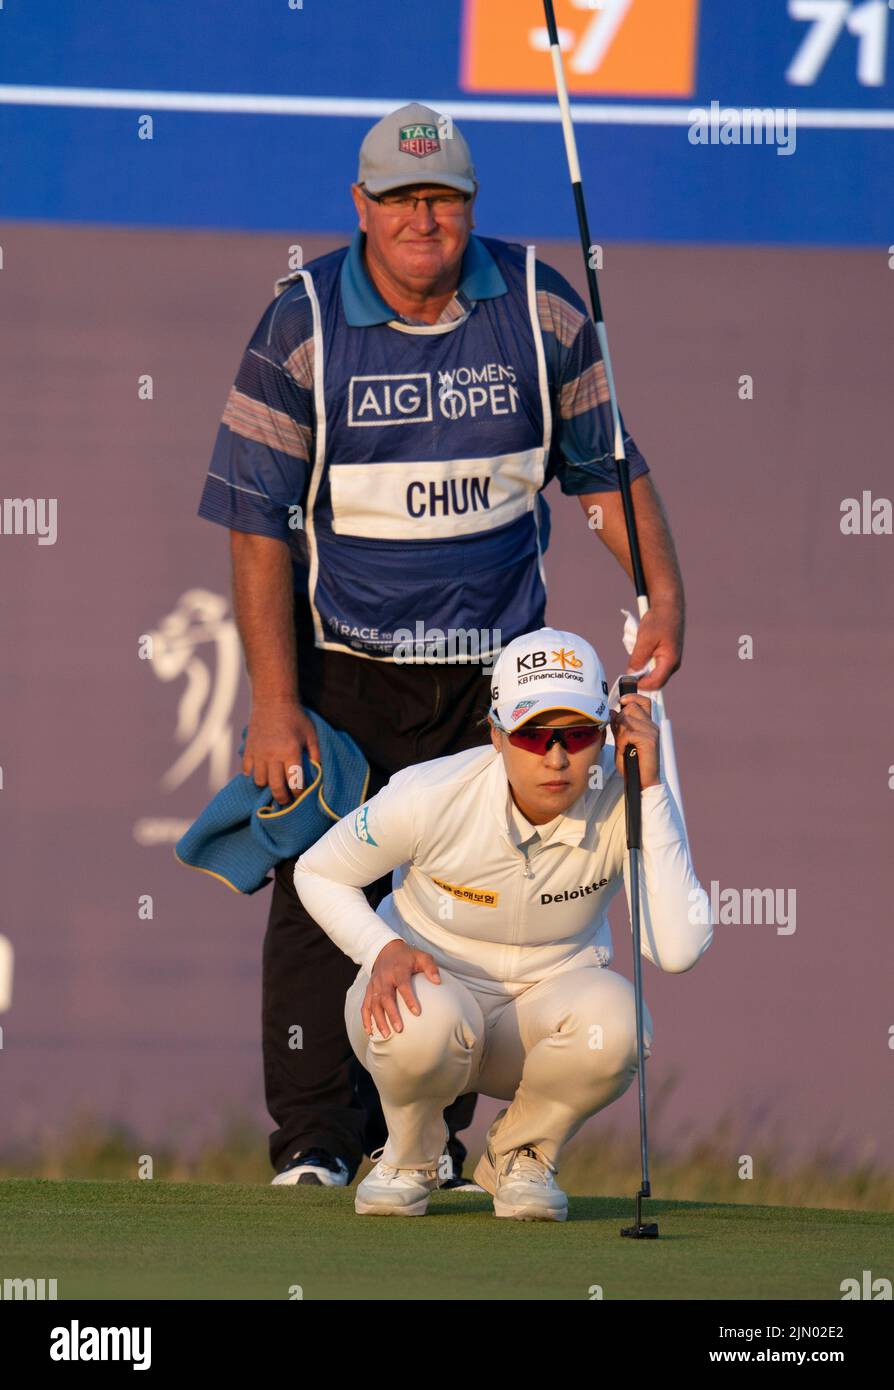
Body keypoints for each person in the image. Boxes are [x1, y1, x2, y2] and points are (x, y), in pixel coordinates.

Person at [195, 99, 686, 1189]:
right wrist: (274, 703)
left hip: (496, 678)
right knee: (324, 894)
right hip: (349, 669)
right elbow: (255, 518)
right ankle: (315, 1144)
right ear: (362, 206)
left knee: (473, 898)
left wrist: (659, 596)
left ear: (470, 206)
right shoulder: (303, 321)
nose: (427, 219)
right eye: (405, 198)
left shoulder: (541, 306)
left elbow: (605, 472)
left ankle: (427, 1142)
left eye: (447, 198)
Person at [293, 628, 712, 1220]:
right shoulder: (430, 795)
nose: (557, 757)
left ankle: (520, 1156)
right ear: (496, 734)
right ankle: (411, 1156)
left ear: (609, 733)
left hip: (539, 1024)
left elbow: (675, 947)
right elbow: (318, 871)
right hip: (431, 1008)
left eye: (579, 734)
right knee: (421, 1023)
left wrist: (651, 786)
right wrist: (379, 947)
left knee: (619, 1022)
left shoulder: (628, 802)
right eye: (534, 735)